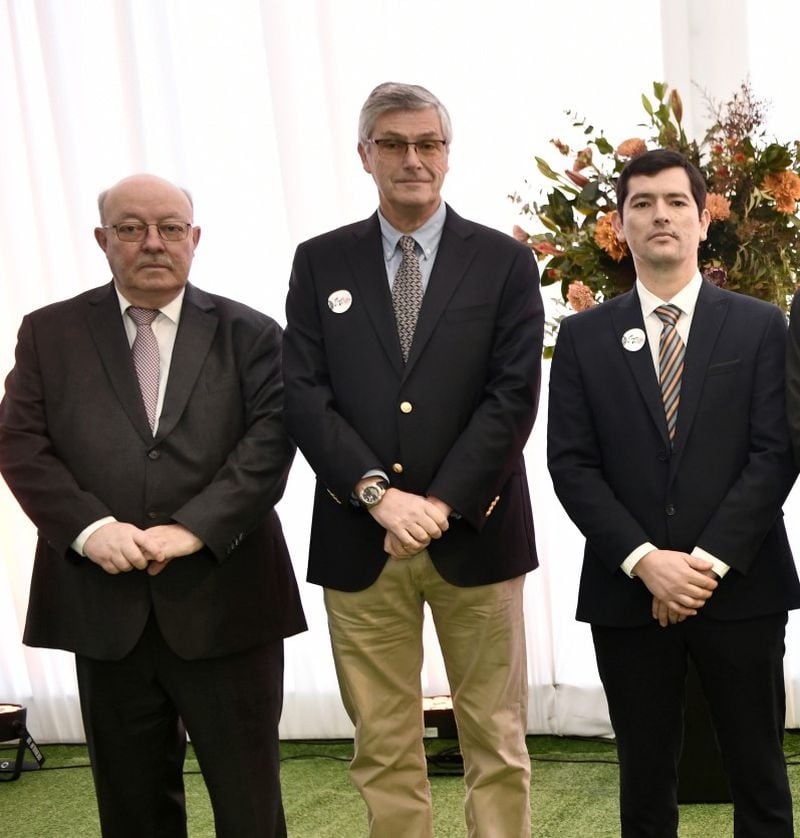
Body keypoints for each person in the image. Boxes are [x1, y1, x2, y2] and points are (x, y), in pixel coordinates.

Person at [0, 174, 306, 838]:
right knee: (133, 808)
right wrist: (90, 529)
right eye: (131, 228)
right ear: (102, 240)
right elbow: (21, 445)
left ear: (194, 238)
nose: (153, 242)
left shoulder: (251, 334)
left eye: (170, 227)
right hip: (102, 606)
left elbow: (270, 445)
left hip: (228, 600)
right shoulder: (49, 334)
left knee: (250, 806)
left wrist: (191, 530)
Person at [282, 82, 544, 838]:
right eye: (393, 144)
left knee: (495, 736)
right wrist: (376, 495)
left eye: (428, 144)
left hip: (477, 535)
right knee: (383, 743)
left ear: (447, 156)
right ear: (365, 155)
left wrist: (439, 504)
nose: (412, 159)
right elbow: (304, 393)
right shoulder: (318, 261)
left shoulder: (502, 261)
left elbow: (512, 395)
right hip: (357, 538)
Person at [548, 148, 800, 837]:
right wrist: (646, 560)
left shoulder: (760, 326)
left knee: (759, 774)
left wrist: (704, 562)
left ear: (702, 221)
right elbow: (571, 464)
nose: (660, 214)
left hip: (741, 585)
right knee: (645, 778)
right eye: (642, 204)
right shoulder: (582, 339)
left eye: (676, 202)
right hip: (627, 592)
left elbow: (776, 451)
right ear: (620, 226)